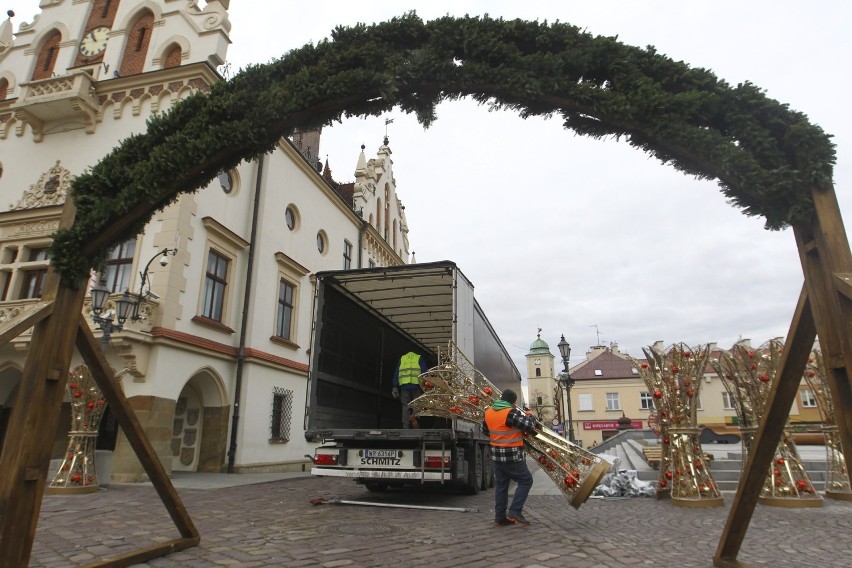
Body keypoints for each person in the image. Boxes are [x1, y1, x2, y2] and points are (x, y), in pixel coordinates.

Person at [482, 389, 539, 526]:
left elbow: (485, 431)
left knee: (502, 486)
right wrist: (530, 415)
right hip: (512, 455)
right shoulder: (510, 413)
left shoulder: (488, 412)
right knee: (526, 480)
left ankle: (500, 517)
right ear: (512, 402)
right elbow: (529, 425)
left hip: (496, 455)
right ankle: (515, 511)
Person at [392, 351, 429, 428]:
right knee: (417, 404)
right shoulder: (419, 358)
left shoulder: (402, 359)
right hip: (416, 386)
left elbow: (397, 373)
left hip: (404, 386)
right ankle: (414, 417)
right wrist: (426, 385)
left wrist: (395, 386)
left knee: (405, 405)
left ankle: (406, 425)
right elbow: (425, 372)